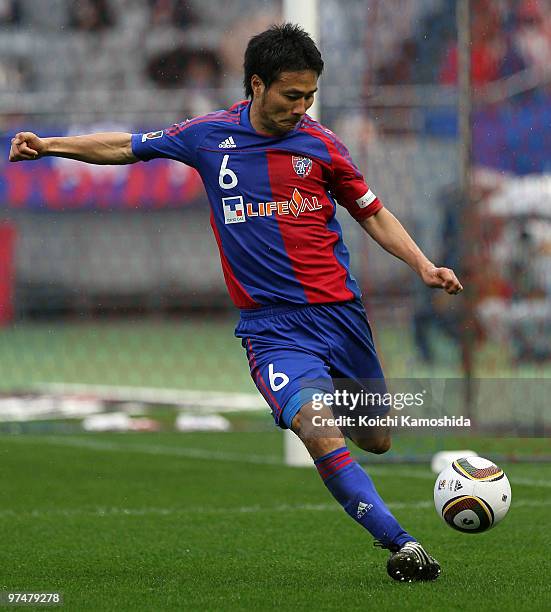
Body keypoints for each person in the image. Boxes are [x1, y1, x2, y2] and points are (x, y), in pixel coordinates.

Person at [9, 23, 462, 582]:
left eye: (309, 97)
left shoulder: (321, 145)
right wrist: (50, 145)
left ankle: (328, 408)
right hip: (271, 328)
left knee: (377, 437)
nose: (301, 107)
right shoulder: (207, 136)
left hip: (341, 316)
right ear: (256, 84)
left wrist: (422, 265)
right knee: (319, 428)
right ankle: (402, 543)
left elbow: (372, 212)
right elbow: (127, 146)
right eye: (291, 95)